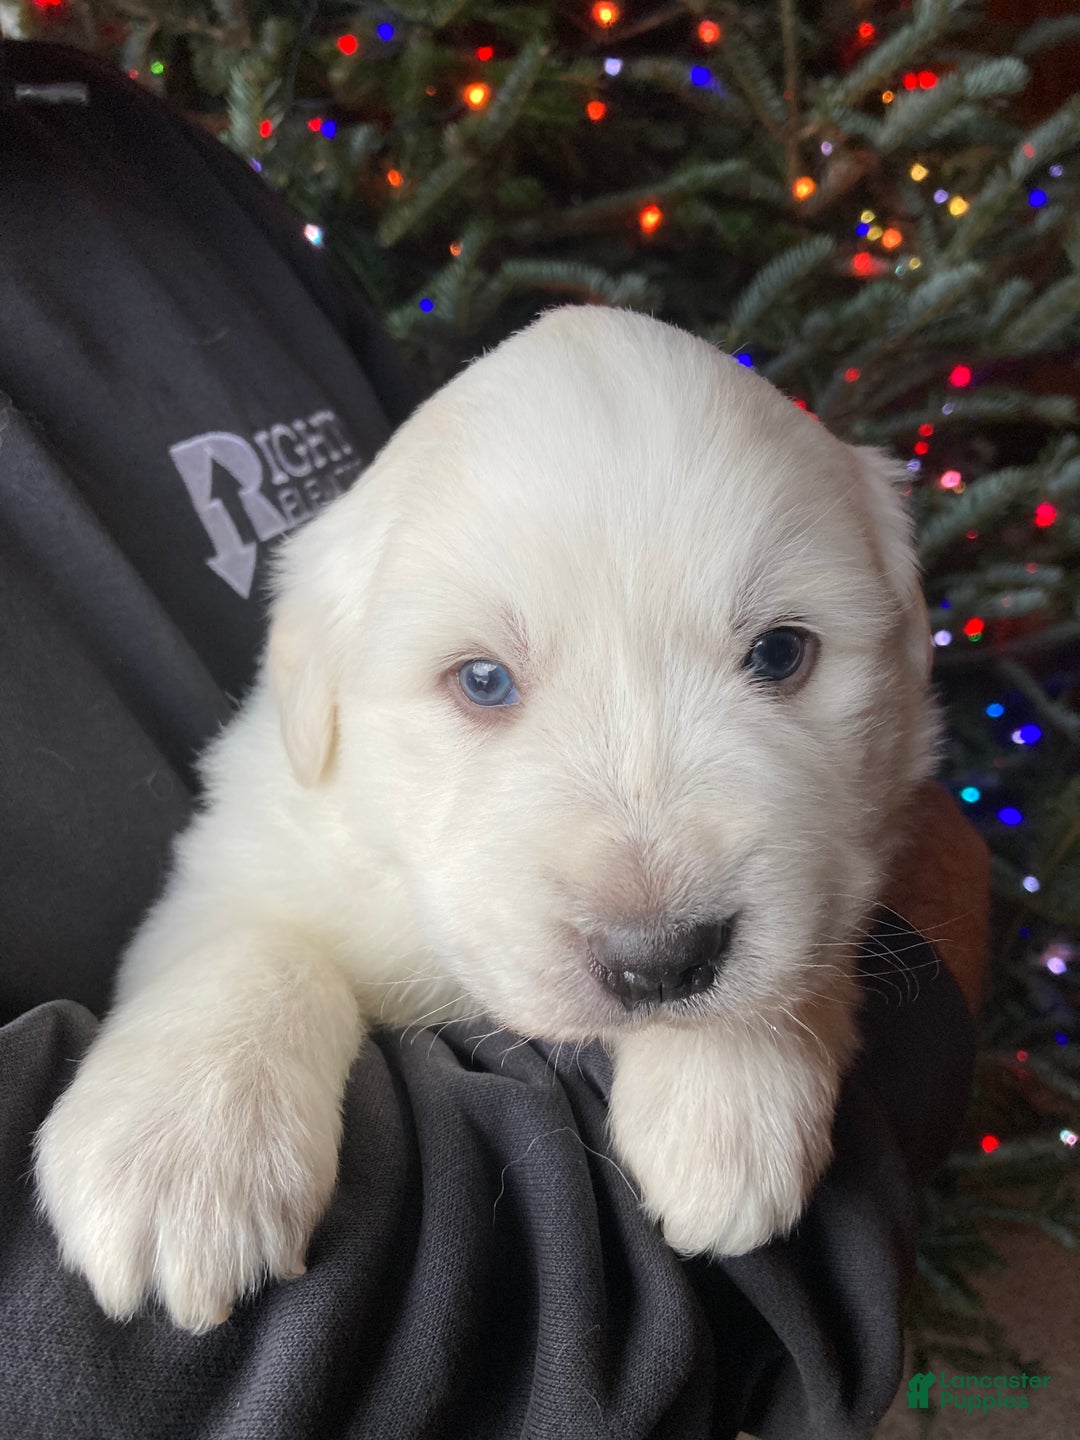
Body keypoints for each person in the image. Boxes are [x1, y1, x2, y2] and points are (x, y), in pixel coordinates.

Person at [0, 39, 988, 1440]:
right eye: (482, 682)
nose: (655, 909)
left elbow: (890, 811)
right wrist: (243, 1008)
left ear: (899, 621)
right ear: (317, 691)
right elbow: (249, 900)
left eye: (777, 655)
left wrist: (795, 1013)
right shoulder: (321, 730)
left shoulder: (129, 136)